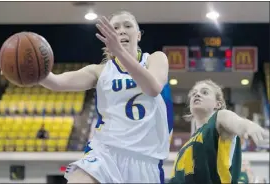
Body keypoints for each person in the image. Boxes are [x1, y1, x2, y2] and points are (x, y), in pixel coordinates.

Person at [39, 11, 173, 183]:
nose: (122, 30)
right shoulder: (100, 71)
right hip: (106, 151)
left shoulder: (155, 59)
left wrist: (120, 52)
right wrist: (33, 74)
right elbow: (57, 82)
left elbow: (153, 88)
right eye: (115, 27)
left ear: (138, 35)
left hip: (145, 159)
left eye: (128, 25)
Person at [170, 80, 269, 184]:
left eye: (204, 92)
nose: (197, 94)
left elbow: (235, 121)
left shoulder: (219, 119)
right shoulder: (187, 143)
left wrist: (249, 126)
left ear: (218, 104)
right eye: (194, 93)